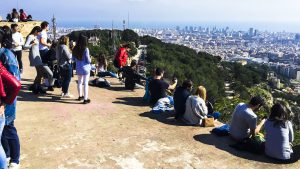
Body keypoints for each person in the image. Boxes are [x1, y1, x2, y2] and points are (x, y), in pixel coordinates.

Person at [0, 26, 21, 169]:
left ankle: (15, 159)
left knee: (9, 127)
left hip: (7, 99)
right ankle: (6, 154)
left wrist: (6, 102)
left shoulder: (6, 54)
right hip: (5, 98)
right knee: (4, 130)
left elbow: (15, 80)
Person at [24, 26, 53, 94]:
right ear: (36, 31)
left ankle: (36, 86)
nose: (39, 33)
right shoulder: (30, 36)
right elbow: (25, 46)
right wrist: (32, 44)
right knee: (40, 73)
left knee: (40, 73)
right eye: (39, 32)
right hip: (34, 56)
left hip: (37, 55)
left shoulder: (35, 36)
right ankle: (36, 87)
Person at [73, 35, 91, 104]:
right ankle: (85, 99)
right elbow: (88, 60)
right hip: (86, 68)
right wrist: (90, 60)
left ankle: (80, 96)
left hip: (78, 68)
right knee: (86, 83)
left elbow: (73, 59)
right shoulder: (86, 49)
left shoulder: (75, 48)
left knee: (79, 82)